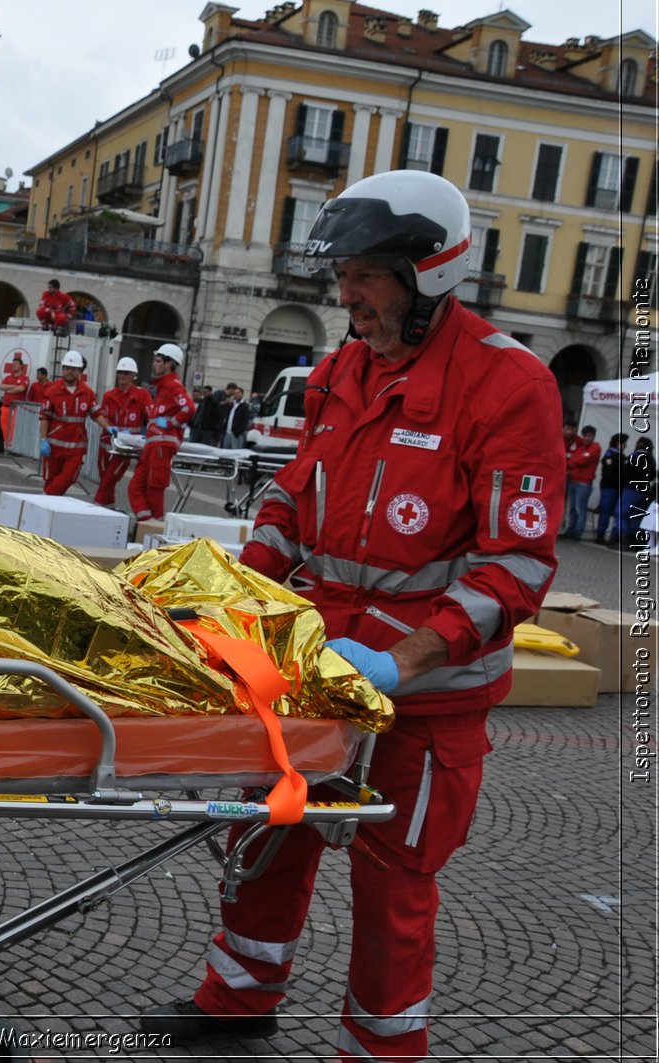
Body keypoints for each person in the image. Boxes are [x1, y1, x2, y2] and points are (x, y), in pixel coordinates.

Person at [142, 169, 565, 1062]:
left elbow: (515, 563)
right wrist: (237, 590)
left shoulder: (509, 384)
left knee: (394, 887)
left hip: (425, 696)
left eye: (366, 274)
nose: (347, 295)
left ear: (430, 272)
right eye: (343, 276)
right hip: (312, 673)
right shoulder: (340, 370)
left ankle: (380, 1048)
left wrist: (403, 660)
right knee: (265, 837)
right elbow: (291, 502)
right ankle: (239, 999)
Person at [127, 343, 193, 521]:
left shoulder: (173, 385)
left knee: (154, 488)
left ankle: (155, 527)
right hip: (153, 445)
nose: (154, 364)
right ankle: (146, 524)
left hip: (162, 445)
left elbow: (189, 408)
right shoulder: (164, 386)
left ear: (169, 364)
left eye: (158, 361)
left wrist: (171, 422)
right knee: (135, 487)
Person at [91, 356, 151, 508]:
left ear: (133, 375)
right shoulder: (109, 396)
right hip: (106, 445)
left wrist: (150, 433)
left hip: (125, 448)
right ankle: (110, 510)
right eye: (120, 372)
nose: (122, 376)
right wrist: (108, 426)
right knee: (105, 479)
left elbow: (152, 416)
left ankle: (96, 510)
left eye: (126, 373)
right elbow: (102, 416)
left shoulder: (141, 395)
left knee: (108, 481)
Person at [37, 351, 97, 496]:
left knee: (68, 478)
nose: (69, 372)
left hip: (75, 448)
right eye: (67, 368)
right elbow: (44, 417)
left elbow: (97, 414)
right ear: (63, 369)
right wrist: (44, 439)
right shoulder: (52, 391)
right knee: (50, 480)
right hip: (54, 447)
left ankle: (46, 498)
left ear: (79, 371)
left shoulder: (87, 393)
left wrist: (110, 428)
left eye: (73, 369)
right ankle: (48, 511)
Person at [561, 424, 599, 540]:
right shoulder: (581, 448)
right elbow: (574, 460)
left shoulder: (595, 448)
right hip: (574, 480)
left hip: (584, 482)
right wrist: (573, 463)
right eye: (585, 436)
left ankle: (578, 532)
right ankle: (570, 530)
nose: (587, 438)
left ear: (593, 437)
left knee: (579, 508)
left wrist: (572, 464)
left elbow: (581, 461)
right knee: (572, 508)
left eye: (590, 436)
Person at [623, 437, 656, 550]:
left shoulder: (635, 456)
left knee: (622, 513)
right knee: (635, 516)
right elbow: (652, 475)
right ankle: (635, 540)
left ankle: (623, 537)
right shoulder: (651, 459)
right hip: (642, 491)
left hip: (631, 489)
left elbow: (625, 472)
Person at [595, 433, 628, 546]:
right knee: (605, 510)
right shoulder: (610, 454)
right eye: (622, 443)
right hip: (609, 487)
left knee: (615, 512)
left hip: (617, 487)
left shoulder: (621, 456)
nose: (624, 445)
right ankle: (600, 534)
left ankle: (612, 535)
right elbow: (609, 473)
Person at [0, 354, 30, 447]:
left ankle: (13, 445)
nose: (13, 365)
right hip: (6, 406)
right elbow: (1, 386)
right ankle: (6, 443)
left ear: (21, 366)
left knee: (14, 427)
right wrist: (14, 387)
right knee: (4, 425)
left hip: (16, 408)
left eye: (16, 363)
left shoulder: (24, 378)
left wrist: (8, 389)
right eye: (13, 363)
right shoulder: (8, 377)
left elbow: (21, 389)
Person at [220, 383, 251, 449]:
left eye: (238, 393)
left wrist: (237, 432)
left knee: (235, 452)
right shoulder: (231, 405)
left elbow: (245, 421)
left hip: (236, 434)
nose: (236, 395)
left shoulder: (245, 406)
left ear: (242, 394)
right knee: (225, 452)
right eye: (235, 393)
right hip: (227, 432)